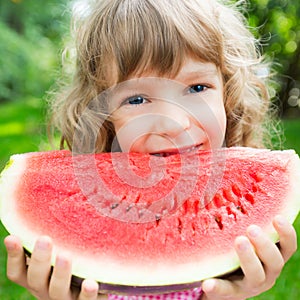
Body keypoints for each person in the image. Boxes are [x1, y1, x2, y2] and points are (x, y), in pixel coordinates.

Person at [4, 0, 298, 299]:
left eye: (197, 88)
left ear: (228, 94)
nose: (174, 123)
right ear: (104, 118)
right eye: (136, 100)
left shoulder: (238, 224)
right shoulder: (91, 274)